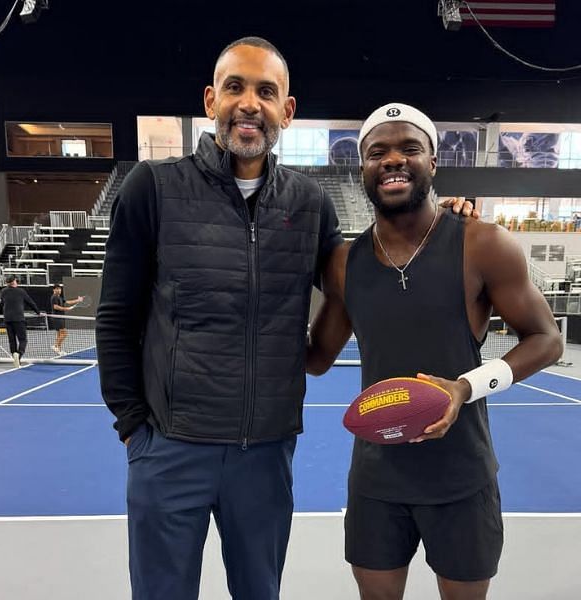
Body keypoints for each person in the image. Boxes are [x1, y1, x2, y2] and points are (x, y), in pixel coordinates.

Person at [96, 37, 476, 600]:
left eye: (266, 92)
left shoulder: (309, 204)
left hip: (266, 454)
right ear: (210, 100)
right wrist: (134, 428)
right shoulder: (152, 190)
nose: (249, 103)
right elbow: (115, 318)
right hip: (170, 450)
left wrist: (437, 224)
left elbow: (367, 275)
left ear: (287, 112)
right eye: (235, 88)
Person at [306, 103, 562, 599]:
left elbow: (548, 339)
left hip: (461, 478)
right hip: (377, 479)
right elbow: (315, 359)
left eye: (410, 148)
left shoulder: (483, 244)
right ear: (362, 168)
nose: (393, 160)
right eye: (377, 152)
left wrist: (466, 386)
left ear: (434, 161)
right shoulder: (343, 263)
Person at [0, 275, 41, 368]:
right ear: (14, 282)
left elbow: (2, 304)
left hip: (7, 319)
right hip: (19, 319)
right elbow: (30, 302)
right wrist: (38, 312)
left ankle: (14, 355)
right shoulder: (21, 291)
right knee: (23, 339)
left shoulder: (3, 291)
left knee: (11, 340)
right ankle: (19, 354)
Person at [49, 283, 83, 355]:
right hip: (57, 318)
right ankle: (55, 346)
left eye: (60, 289)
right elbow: (55, 307)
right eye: (57, 289)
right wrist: (66, 308)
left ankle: (58, 349)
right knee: (64, 333)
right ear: (54, 290)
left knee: (59, 334)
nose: (59, 290)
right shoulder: (54, 297)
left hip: (60, 317)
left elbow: (68, 302)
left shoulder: (59, 297)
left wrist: (78, 300)